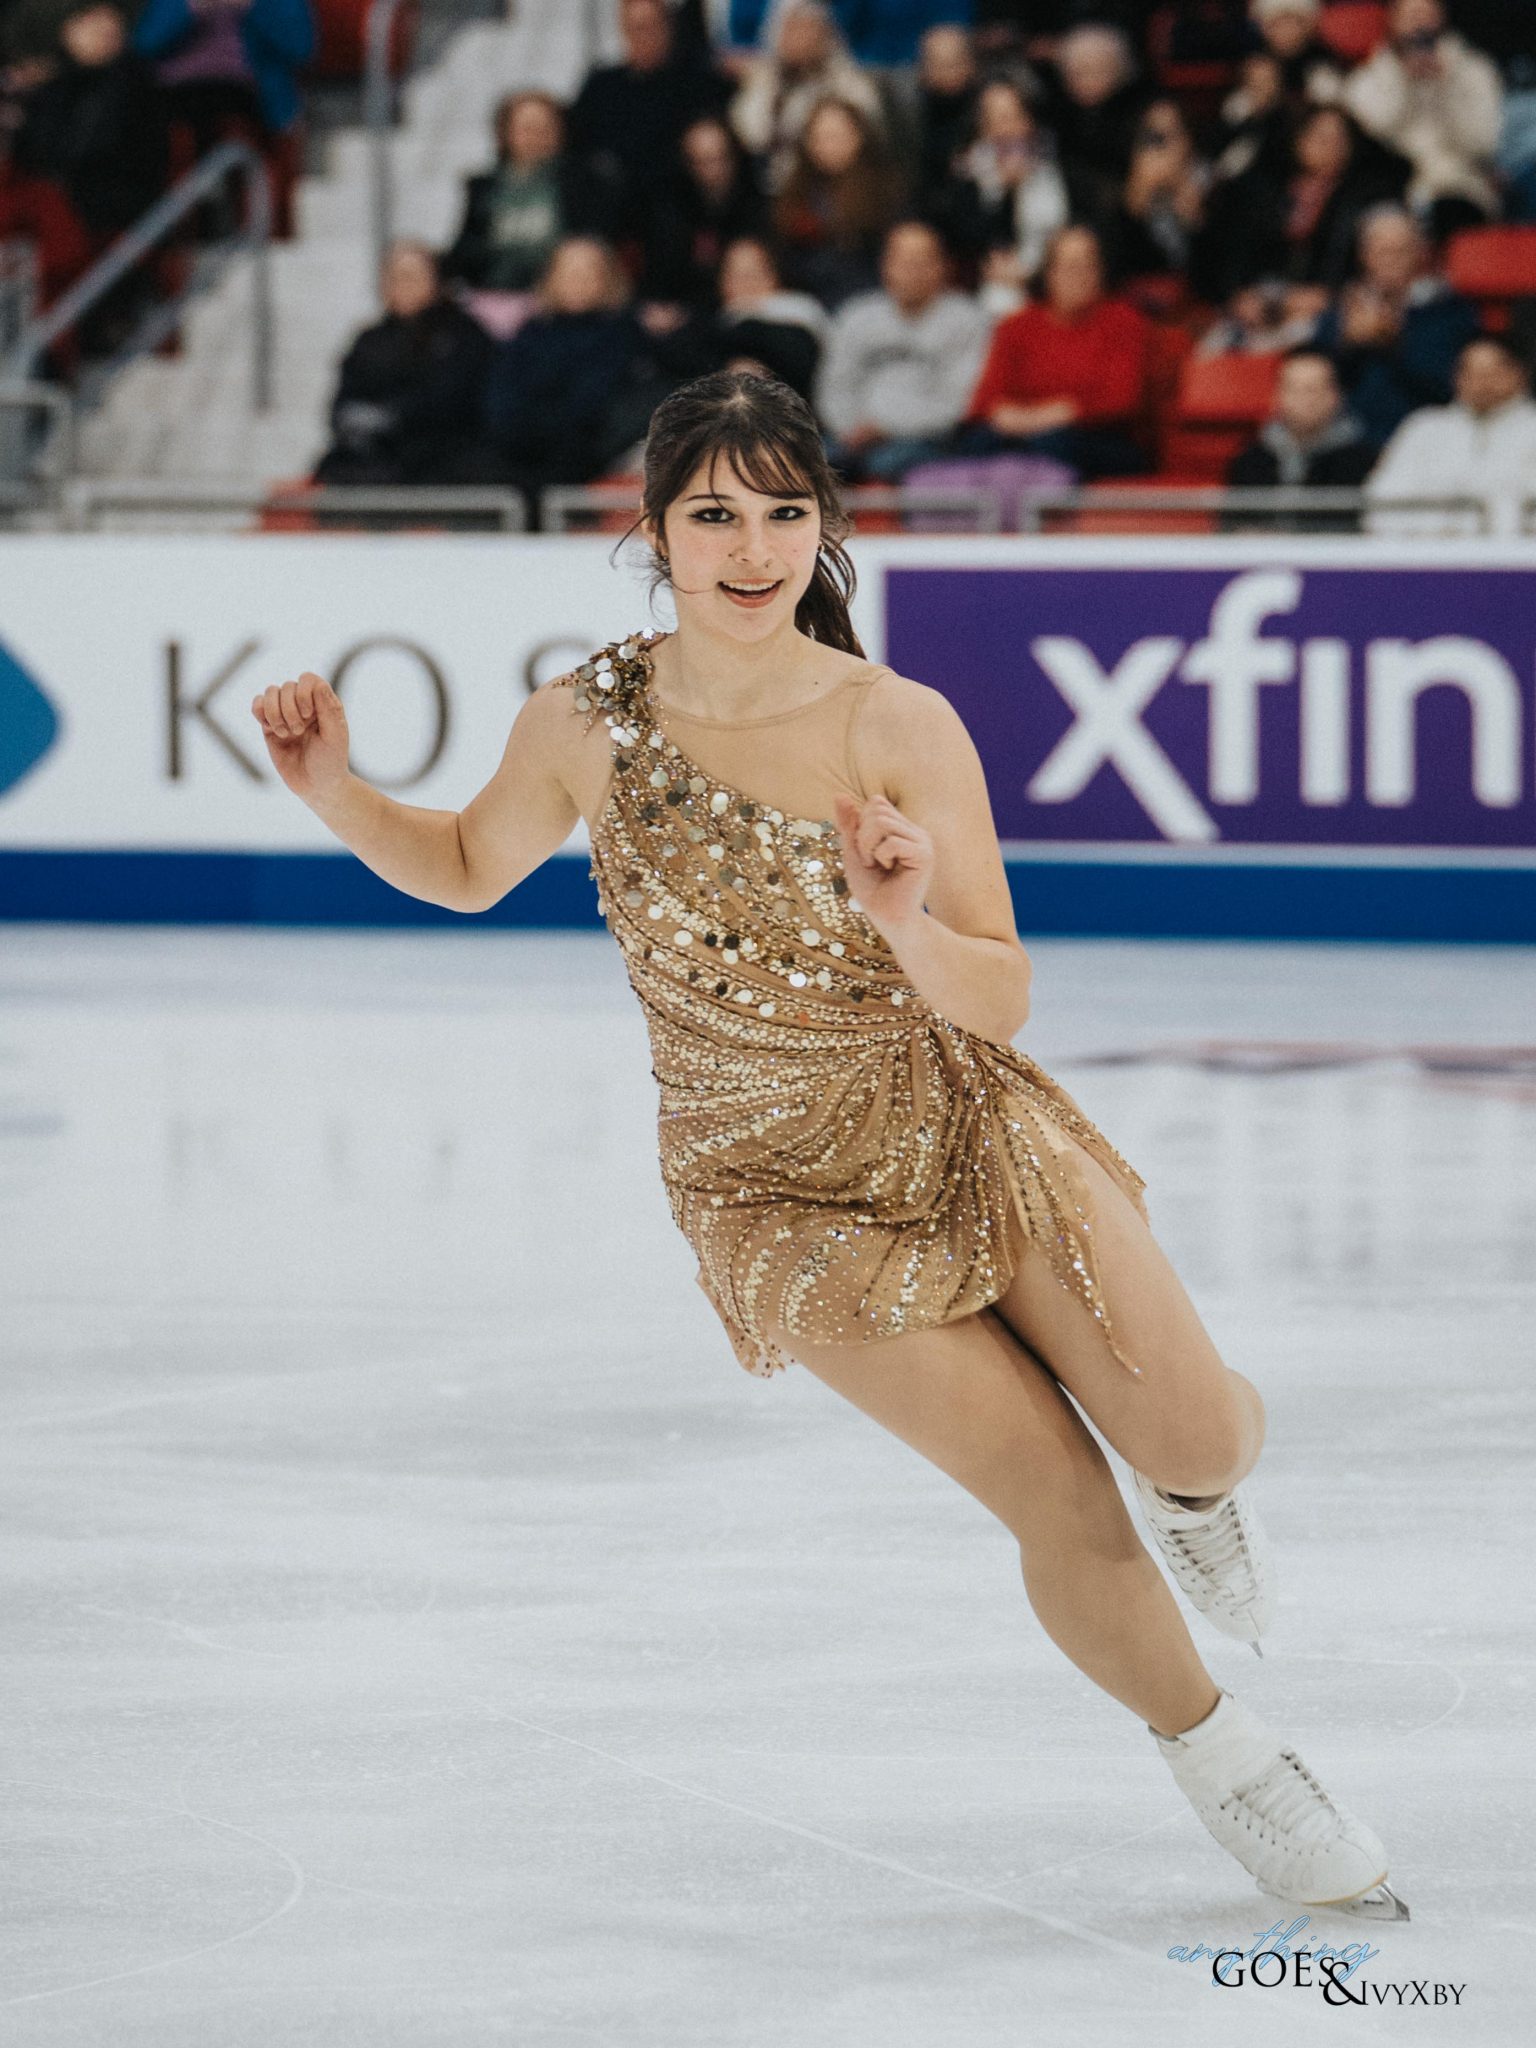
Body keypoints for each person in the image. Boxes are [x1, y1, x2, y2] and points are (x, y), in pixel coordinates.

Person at [250, 365, 1408, 1926]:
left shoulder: (895, 723)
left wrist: (904, 920)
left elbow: (1001, 994)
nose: (752, 549)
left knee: (1195, 1441)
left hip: (957, 1120)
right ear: (654, 529)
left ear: (825, 526)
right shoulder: (586, 720)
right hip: (774, 1196)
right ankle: (1225, 1754)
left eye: (783, 512)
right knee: (1062, 1498)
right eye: (714, 515)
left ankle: (1200, 1489)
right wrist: (336, 793)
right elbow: (465, 863)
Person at [956, 222, 1153, 478]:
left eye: (1088, 266)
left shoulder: (1124, 322)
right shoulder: (1016, 326)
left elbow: (1120, 401)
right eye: (1070, 267)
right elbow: (985, 400)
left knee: (1050, 445)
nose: (1080, 276)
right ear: (1049, 273)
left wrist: (1062, 413)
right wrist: (1022, 417)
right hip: (1022, 432)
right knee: (976, 444)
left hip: (1098, 437)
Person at [311, 239, 496, 489]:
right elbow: (343, 403)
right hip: (373, 461)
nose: (402, 286)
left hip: (442, 463)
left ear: (436, 281)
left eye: (411, 277)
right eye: (394, 277)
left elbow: (451, 402)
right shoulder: (369, 340)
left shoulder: (464, 337)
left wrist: (393, 416)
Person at [815, 217, 991, 480]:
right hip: (852, 437)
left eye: (922, 261)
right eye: (903, 261)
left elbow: (961, 402)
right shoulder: (856, 316)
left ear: (943, 266)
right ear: (885, 265)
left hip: (930, 440)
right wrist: (849, 428)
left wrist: (888, 427)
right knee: (804, 463)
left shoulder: (967, 320)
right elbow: (833, 387)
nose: (912, 271)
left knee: (886, 463)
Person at [1311, 201, 1482, 450]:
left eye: (1400, 251)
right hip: (1347, 442)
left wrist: (1393, 344)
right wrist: (1347, 344)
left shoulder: (1450, 311)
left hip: (1429, 441)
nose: (1390, 261)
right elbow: (1313, 378)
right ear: (1363, 255)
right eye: (1381, 251)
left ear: (1420, 253)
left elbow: (1451, 386)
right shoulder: (1341, 314)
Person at [1341, 0, 1504, 235]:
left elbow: (1483, 144)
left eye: (1426, 12)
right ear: (1392, 20)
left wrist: (1447, 87)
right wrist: (1402, 80)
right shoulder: (1367, 78)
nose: (1419, 22)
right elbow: (1372, 135)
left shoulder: (1475, 72)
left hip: (1460, 189)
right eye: (1410, 14)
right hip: (1391, 189)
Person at [439, 91, 616, 297]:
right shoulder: (483, 187)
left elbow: (593, 242)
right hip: (493, 290)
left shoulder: (585, 181)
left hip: (559, 296)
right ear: (506, 133)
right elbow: (466, 248)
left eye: (545, 128)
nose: (535, 137)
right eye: (527, 129)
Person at [1366, 332, 1536, 536]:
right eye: (1471, 372)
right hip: (1428, 550)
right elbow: (1382, 502)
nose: (1482, 383)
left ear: (1520, 373)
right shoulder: (1423, 428)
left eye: (1493, 371)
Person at [929, 71, 1070, 287]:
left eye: (1014, 116)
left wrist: (1036, 275)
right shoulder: (966, 176)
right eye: (995, 120)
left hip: (1051, 282)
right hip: (987, 284)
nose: (1007, 129)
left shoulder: (1058, 171)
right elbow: (971, 243)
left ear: (1031, 120)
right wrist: (1006, 192)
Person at [728, 0, 886, 192]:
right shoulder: (765, 80)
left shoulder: (849, 83)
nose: (801, 39)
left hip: (839, 184)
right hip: (773, 185)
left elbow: (868, 134)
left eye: (808, 29)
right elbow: (750, 132)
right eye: (793, 30)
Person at [771, 92, 908, 309]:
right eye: (820, 137)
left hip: (870, 300)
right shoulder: (795, 194)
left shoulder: (884, 191)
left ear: (859, 137)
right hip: (809, 303)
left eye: (837, 136)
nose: (829, 145)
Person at [1222, 344, 1375, 529]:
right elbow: (1230, 526)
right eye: (1293, 389)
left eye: (1312, 389)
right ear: (1278, 395)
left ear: (1335, 395)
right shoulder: (1251, 460)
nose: (1304, 400)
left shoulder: (1363, 463)